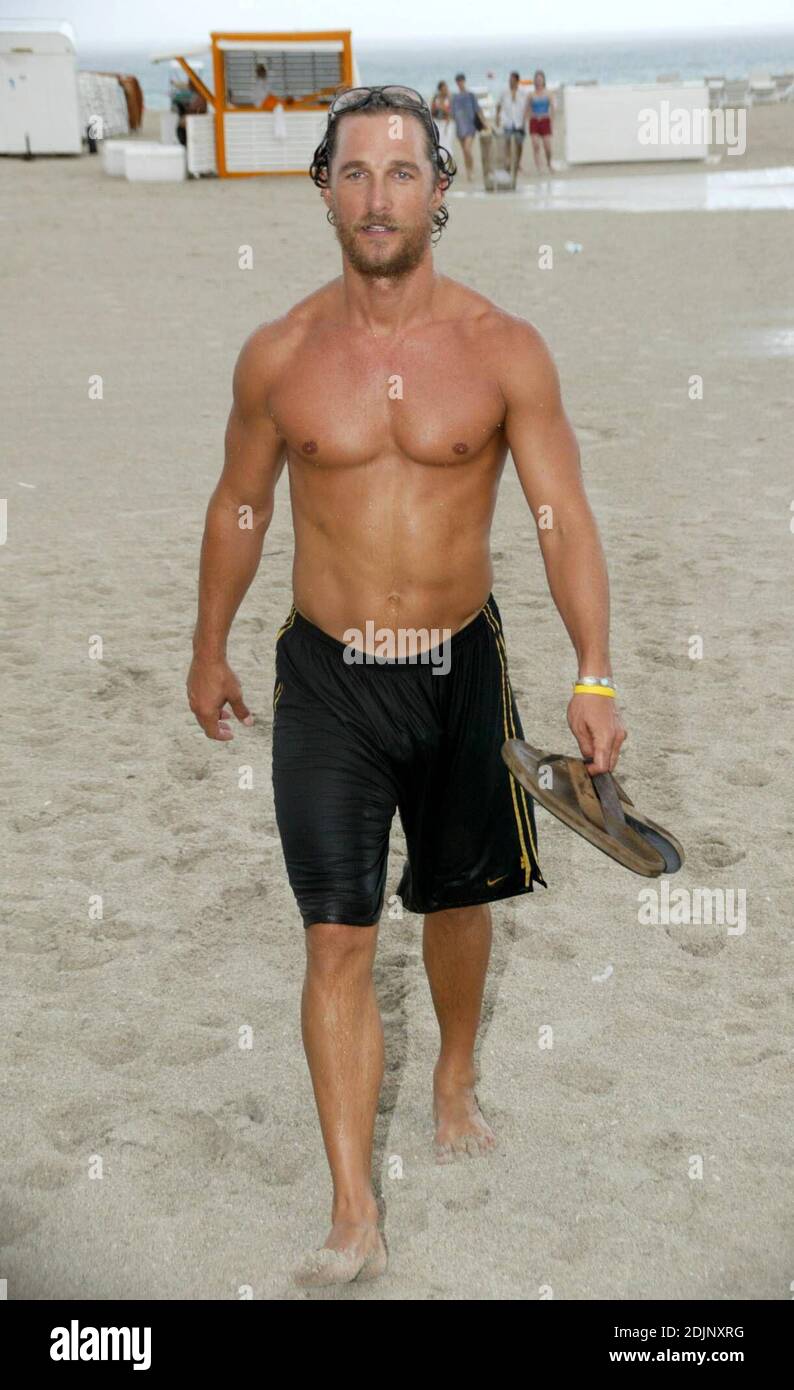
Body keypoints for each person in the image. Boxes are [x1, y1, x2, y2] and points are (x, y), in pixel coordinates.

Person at [186, 83, 625, 1286]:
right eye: (354, 172)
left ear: (443, 192)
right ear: (320, 188)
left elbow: (558, 513)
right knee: (335, 933)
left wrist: (590, 669)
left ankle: (452, 1070)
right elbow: (241, 502)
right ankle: (350, 1208)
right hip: (326, 676)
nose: (377, 196)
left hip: (456, 668)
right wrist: (206, 640)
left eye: (401, 173)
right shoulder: (278, 353)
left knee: (454, 900)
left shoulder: (501, 349)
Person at [450, 72, 487, 181]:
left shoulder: (471, 95)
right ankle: (468, 171)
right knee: (465, 152)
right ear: (456, 83)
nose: (460, 83)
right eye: (458, 81)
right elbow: (452, 113)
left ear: (464, 81)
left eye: (461, 81)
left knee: (467, 149)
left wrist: (484, 123)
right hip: (460, 127)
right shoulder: (455, 98)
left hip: (470, 126)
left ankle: (471, 170)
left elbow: (478, 110)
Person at [496, 69, 526, 175]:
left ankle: (517, 163)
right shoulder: (504, 91)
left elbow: (526, 107)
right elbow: (498, 105)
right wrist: (497, 118)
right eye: (510, 80)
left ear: (517, 81)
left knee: (519, 144)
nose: (510, 82)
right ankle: (508, 163)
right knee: (507, 142)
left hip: (519, 121)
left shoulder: (522, 92)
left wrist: (524, 120)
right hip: (507, 121)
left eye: (512, 80)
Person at [526, 68, 554, 173]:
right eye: (537, 79)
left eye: (540, 79)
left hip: (545, 120)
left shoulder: (548, 94)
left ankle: (549, 163)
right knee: (535, 144)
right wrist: (528, 118)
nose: (538, 81)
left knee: (547, 146)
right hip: (534, 120)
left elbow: (553, 108)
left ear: (543, 80)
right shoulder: (531, 94)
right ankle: (538, 167)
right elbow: (527, 108)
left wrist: (552, 120)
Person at [430, 79, 456, 157]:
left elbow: (452, 112)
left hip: (448, 123)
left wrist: (443, 108)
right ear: (440, 89)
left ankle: (448, 160)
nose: (446, 90)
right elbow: (432, 112)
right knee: (439, 143)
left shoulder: (450, 98)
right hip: (438, 122)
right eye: (444, 89)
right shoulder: (436, 98)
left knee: (447, 144)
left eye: (446, 88)